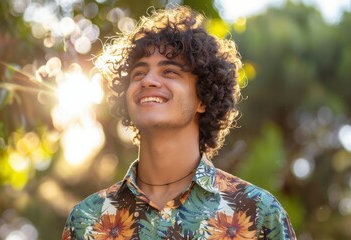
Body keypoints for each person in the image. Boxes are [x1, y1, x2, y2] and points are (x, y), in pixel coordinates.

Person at [62, 5, 296, 239]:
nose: (148, 81)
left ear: (203, 99)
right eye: (139, 73)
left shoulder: (259, 213)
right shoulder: (86, 220)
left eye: (169, 72)